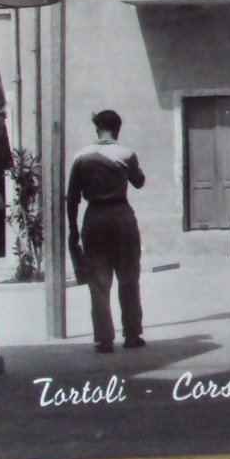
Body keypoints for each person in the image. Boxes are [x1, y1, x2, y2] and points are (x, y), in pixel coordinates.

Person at [67, 109, 147, 354]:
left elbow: (72, 197)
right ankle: (132, 334)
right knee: (129, 278)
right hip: (121, 216)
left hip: (95, 218)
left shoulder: (81, 156)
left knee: (99, 282)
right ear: (118, 129)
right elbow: (139, 181)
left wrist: (73, 229)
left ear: (96, 130)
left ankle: (104, 339)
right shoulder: (126, 153)